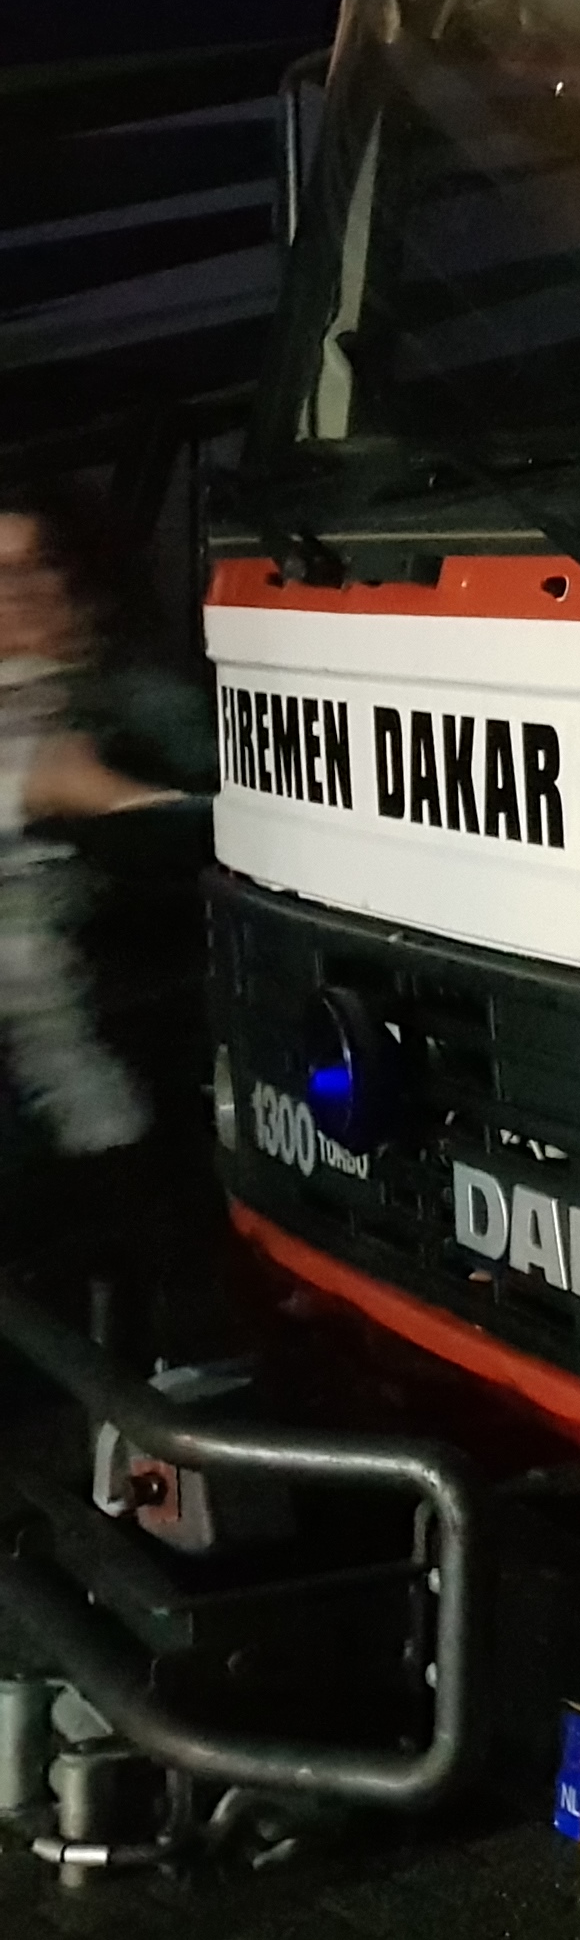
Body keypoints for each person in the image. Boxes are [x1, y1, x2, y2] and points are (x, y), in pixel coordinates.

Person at [0, 495, 214, 1342]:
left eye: (36, 569)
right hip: (58, 1128)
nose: (23, 594)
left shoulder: (132, 700)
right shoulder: (32, 739)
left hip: (135, 1110)